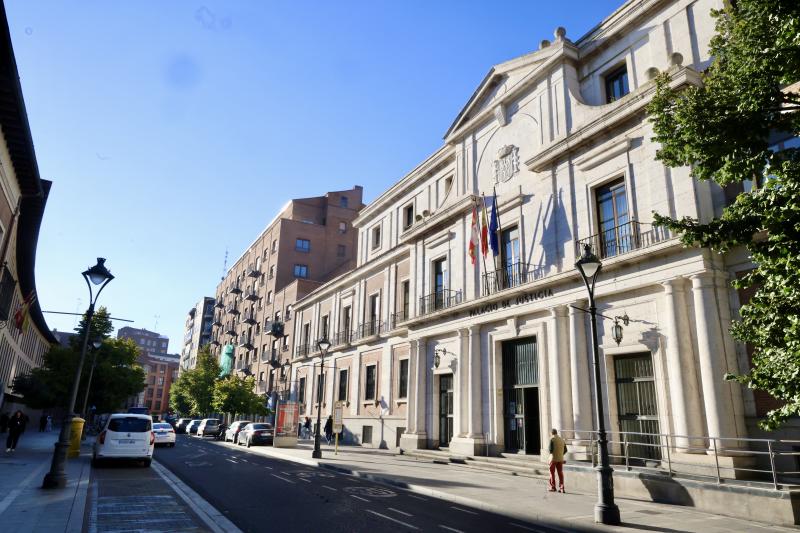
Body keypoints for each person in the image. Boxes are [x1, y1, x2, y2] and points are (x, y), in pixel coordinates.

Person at [548, 428, 568, 493]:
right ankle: (562, 488)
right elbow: (565, 450)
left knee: (552, 473)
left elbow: (550, 450)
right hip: (560, 459)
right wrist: (561, 454)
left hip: (553, 459)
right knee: (560, 473)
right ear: (556, 433)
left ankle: (553, 487)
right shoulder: (562, 440)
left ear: (552, 433)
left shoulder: (552, 439)